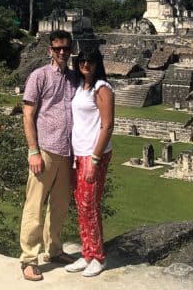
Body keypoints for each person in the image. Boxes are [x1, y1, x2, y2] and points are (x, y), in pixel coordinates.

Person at [19, 30, 77, 282]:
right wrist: (33, 151)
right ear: (49, 50)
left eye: (65, 48)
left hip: (67, 150)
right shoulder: (39, 76)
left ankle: (54, 249)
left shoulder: (74, 78)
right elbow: (28, 114)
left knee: (60, 205)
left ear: (70, 49)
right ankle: (29, 258)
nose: (61, 52)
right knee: (35, 206)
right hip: (45, 149)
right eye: (57, 48)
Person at [64, 48, 115, 277]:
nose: (86, 64)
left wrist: (95, 158)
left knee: (90, 206)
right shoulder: (80, 87)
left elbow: (108, 125)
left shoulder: (101, 88)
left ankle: (98, 257)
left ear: (97, 63)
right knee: (81, 206)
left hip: (94, 154)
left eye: (90, 60)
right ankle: (87, 254)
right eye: (82, 60)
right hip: (79, 153)